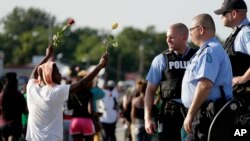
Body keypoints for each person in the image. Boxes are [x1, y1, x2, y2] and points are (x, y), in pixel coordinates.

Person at [26, 45, 108, 141]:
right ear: (50, 75)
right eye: (57, 72)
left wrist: (47, 56)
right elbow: (81, 84)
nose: (60, 75)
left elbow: (35, 71)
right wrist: (99, 66)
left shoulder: (31, 88)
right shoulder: (55, 91)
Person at [181, 13, 233, 141]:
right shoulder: (205, 51)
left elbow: (205, 85)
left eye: (191, 30)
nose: (190, 34)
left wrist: (191, 113)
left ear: (201, 29)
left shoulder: (210, 50)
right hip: (203, 114)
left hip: (208, 115)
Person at [144, 23, 197, 141]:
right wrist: (147, 118)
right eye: (167, 37)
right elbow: (150, 90)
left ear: (184, 37)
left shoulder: (197, 57)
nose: (168, 40)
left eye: (172, 37)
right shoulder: (161, 59)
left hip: (193, 111)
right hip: (169, 113)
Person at [214, 0, 250, 92]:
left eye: (223, 13)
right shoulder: (236, 34)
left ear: (234, 13)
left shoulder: (246, 32)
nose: (221, 17)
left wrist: (244, 78)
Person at [0, 72, 27, 141]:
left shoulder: (1, 96)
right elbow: (25, 111)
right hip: (16, 126)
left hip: (3, 125)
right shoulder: (19, 96)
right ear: (16, 83)